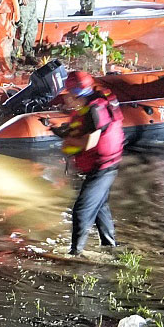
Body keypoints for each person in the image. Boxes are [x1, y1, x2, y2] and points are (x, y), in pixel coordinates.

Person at [60, 70, 125, 256]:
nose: (66, 98)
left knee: (81, 210)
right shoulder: (92, 105)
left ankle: (75, 255)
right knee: (100, 207)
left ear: (74, 92)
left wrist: (69, 143)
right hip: (103, 165)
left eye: (68, 93)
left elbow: (90, 142)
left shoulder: (94, 109)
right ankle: (110, 248)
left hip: (103, 168)